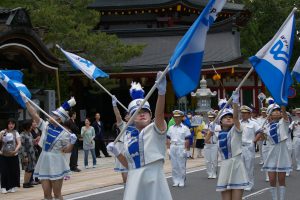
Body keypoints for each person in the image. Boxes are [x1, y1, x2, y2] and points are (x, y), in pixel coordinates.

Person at [106, 72, 172, 200]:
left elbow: (159, 115)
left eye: (145, 112)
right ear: (131, 118)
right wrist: (117, 153)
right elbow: (128, 164)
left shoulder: (155, 129)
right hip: (134, 181)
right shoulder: (128, 136)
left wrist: (161, 93)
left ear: (150, 114)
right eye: (137, 112)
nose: (142, 114)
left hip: (154, 179)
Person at [25, 97, 77, 200]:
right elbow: (34, 114)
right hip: (44, 160)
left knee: (57, 195)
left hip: (56, 162)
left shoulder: (65, 133)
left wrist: (72, 142)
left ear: (59, 119)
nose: (50, 115)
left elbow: (67, 150)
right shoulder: (46, 126)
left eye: (54, 115)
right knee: (46, 196)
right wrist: (26, 101)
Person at [215, 91, 249, 200]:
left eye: (230, 116)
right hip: (225, 166)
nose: (229, 118)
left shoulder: (236, 130)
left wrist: (235, 103)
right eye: (225, 117)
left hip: (237, 166)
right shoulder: (218, 134)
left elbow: (235, 118)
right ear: (220, 122)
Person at [258, 103, 292, 200]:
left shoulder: (284, 122)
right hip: (271, 151)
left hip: (282, 151)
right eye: (274, 111)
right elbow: (264, 139)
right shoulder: (266, 126)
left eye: (278, 111)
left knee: (281, 179)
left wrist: (282, 103)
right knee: (272, 179)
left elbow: (284, 112)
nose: (277, 112)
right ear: (269, 114)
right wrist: (261, 133)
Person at [167, 110, 191, 187]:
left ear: (181, 118)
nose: (176, 119)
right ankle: (175, 180)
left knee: (181, 165)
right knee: (174, 165)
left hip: (181, 146)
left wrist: (186, 150)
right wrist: (168, 149)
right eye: (175, 117)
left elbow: (187, 139)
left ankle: (181, 180)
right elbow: (168, 138)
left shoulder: (185, 128)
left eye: (178, 117)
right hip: (173, 146)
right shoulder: (171, 128)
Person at [240, 105, 261, 191]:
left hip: (249, 146)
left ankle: (249, 183)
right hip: (240, 147)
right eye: (242, 113)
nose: (243, 115)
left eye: (245, 113)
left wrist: (254, 141)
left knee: (249, 167)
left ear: (249, 114)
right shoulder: (238, 122)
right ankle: (242, 182)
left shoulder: (254, 123)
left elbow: (259, 133)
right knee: (241, 166)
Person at [0, 118, 21, 194]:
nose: (11, 125)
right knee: (4, 171)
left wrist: (16, 150)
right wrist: (2, 135)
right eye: (9, 124)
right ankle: (3, 187)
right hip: (4, 155)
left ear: (14, 125)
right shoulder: (3, 131)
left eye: (12, 124)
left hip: (13, 154)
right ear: (7, 124)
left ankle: (12, 186)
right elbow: (0, 140)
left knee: (13, 171)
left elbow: (19, 143)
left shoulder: (16, 132)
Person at [111, 97, 129, 184]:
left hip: (132, 147)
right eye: (127, 115)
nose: (129, 116)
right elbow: (118, 116)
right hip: (122, 147)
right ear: (125, 117)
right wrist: (114, 105)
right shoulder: (123, 125)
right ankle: (127, 188)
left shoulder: (137, 124)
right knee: (124, 170)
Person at [19, 119, 37, 188]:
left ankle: (28, 182)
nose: (31, 127)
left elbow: (31, 142)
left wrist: (34, 141)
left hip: (32, 153)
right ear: (27, 127)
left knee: (31, 168)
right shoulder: (22, 135)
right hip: (27, 154)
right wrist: (25, 156)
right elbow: (22, 146)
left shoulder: (29, 133)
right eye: (30, 126)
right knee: (28, 169)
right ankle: (25, 183)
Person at [204, 111, 221, 179]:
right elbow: (204, 134)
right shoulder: (206, 125)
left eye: (212, 118)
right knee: (208, 160)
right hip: (207, 145)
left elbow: (218, 136)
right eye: (209, 118)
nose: (210, 119)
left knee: (214, 160)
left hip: (214, 144)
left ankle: (214, 173)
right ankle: (209, 173)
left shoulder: (218, 126)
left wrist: (212, 131)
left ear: (215, 118)